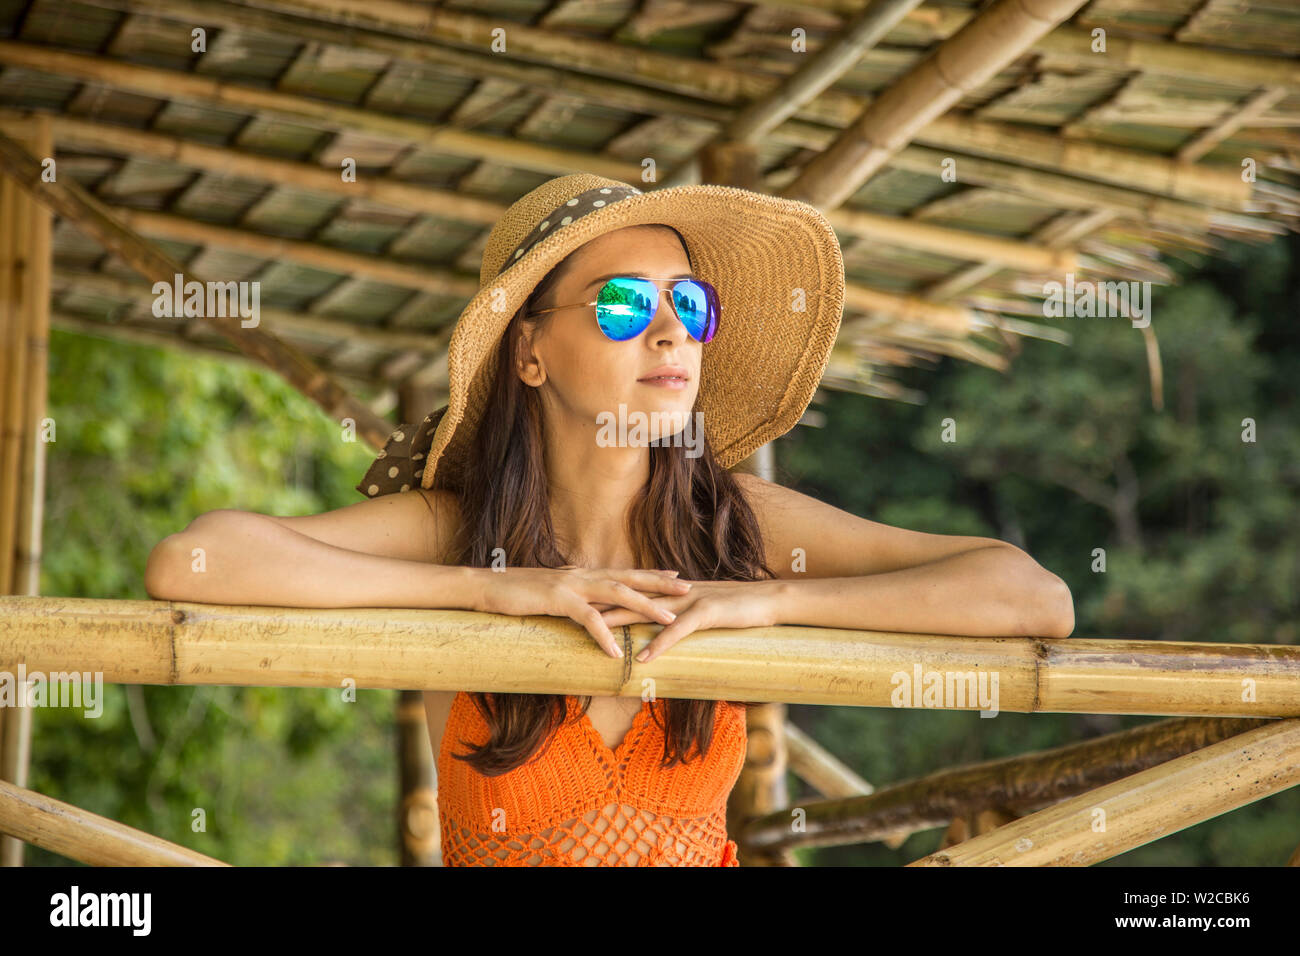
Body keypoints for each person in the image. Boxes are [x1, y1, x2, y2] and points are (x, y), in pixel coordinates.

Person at [145, 173, 1073, 866]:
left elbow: (1033, 597)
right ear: (532, 352)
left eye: (688, 304)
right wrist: (496, 591)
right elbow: (195, 562)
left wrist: (769, 604)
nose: (668, 329)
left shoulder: (735, 527)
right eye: (626, 303)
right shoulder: (461, 532)